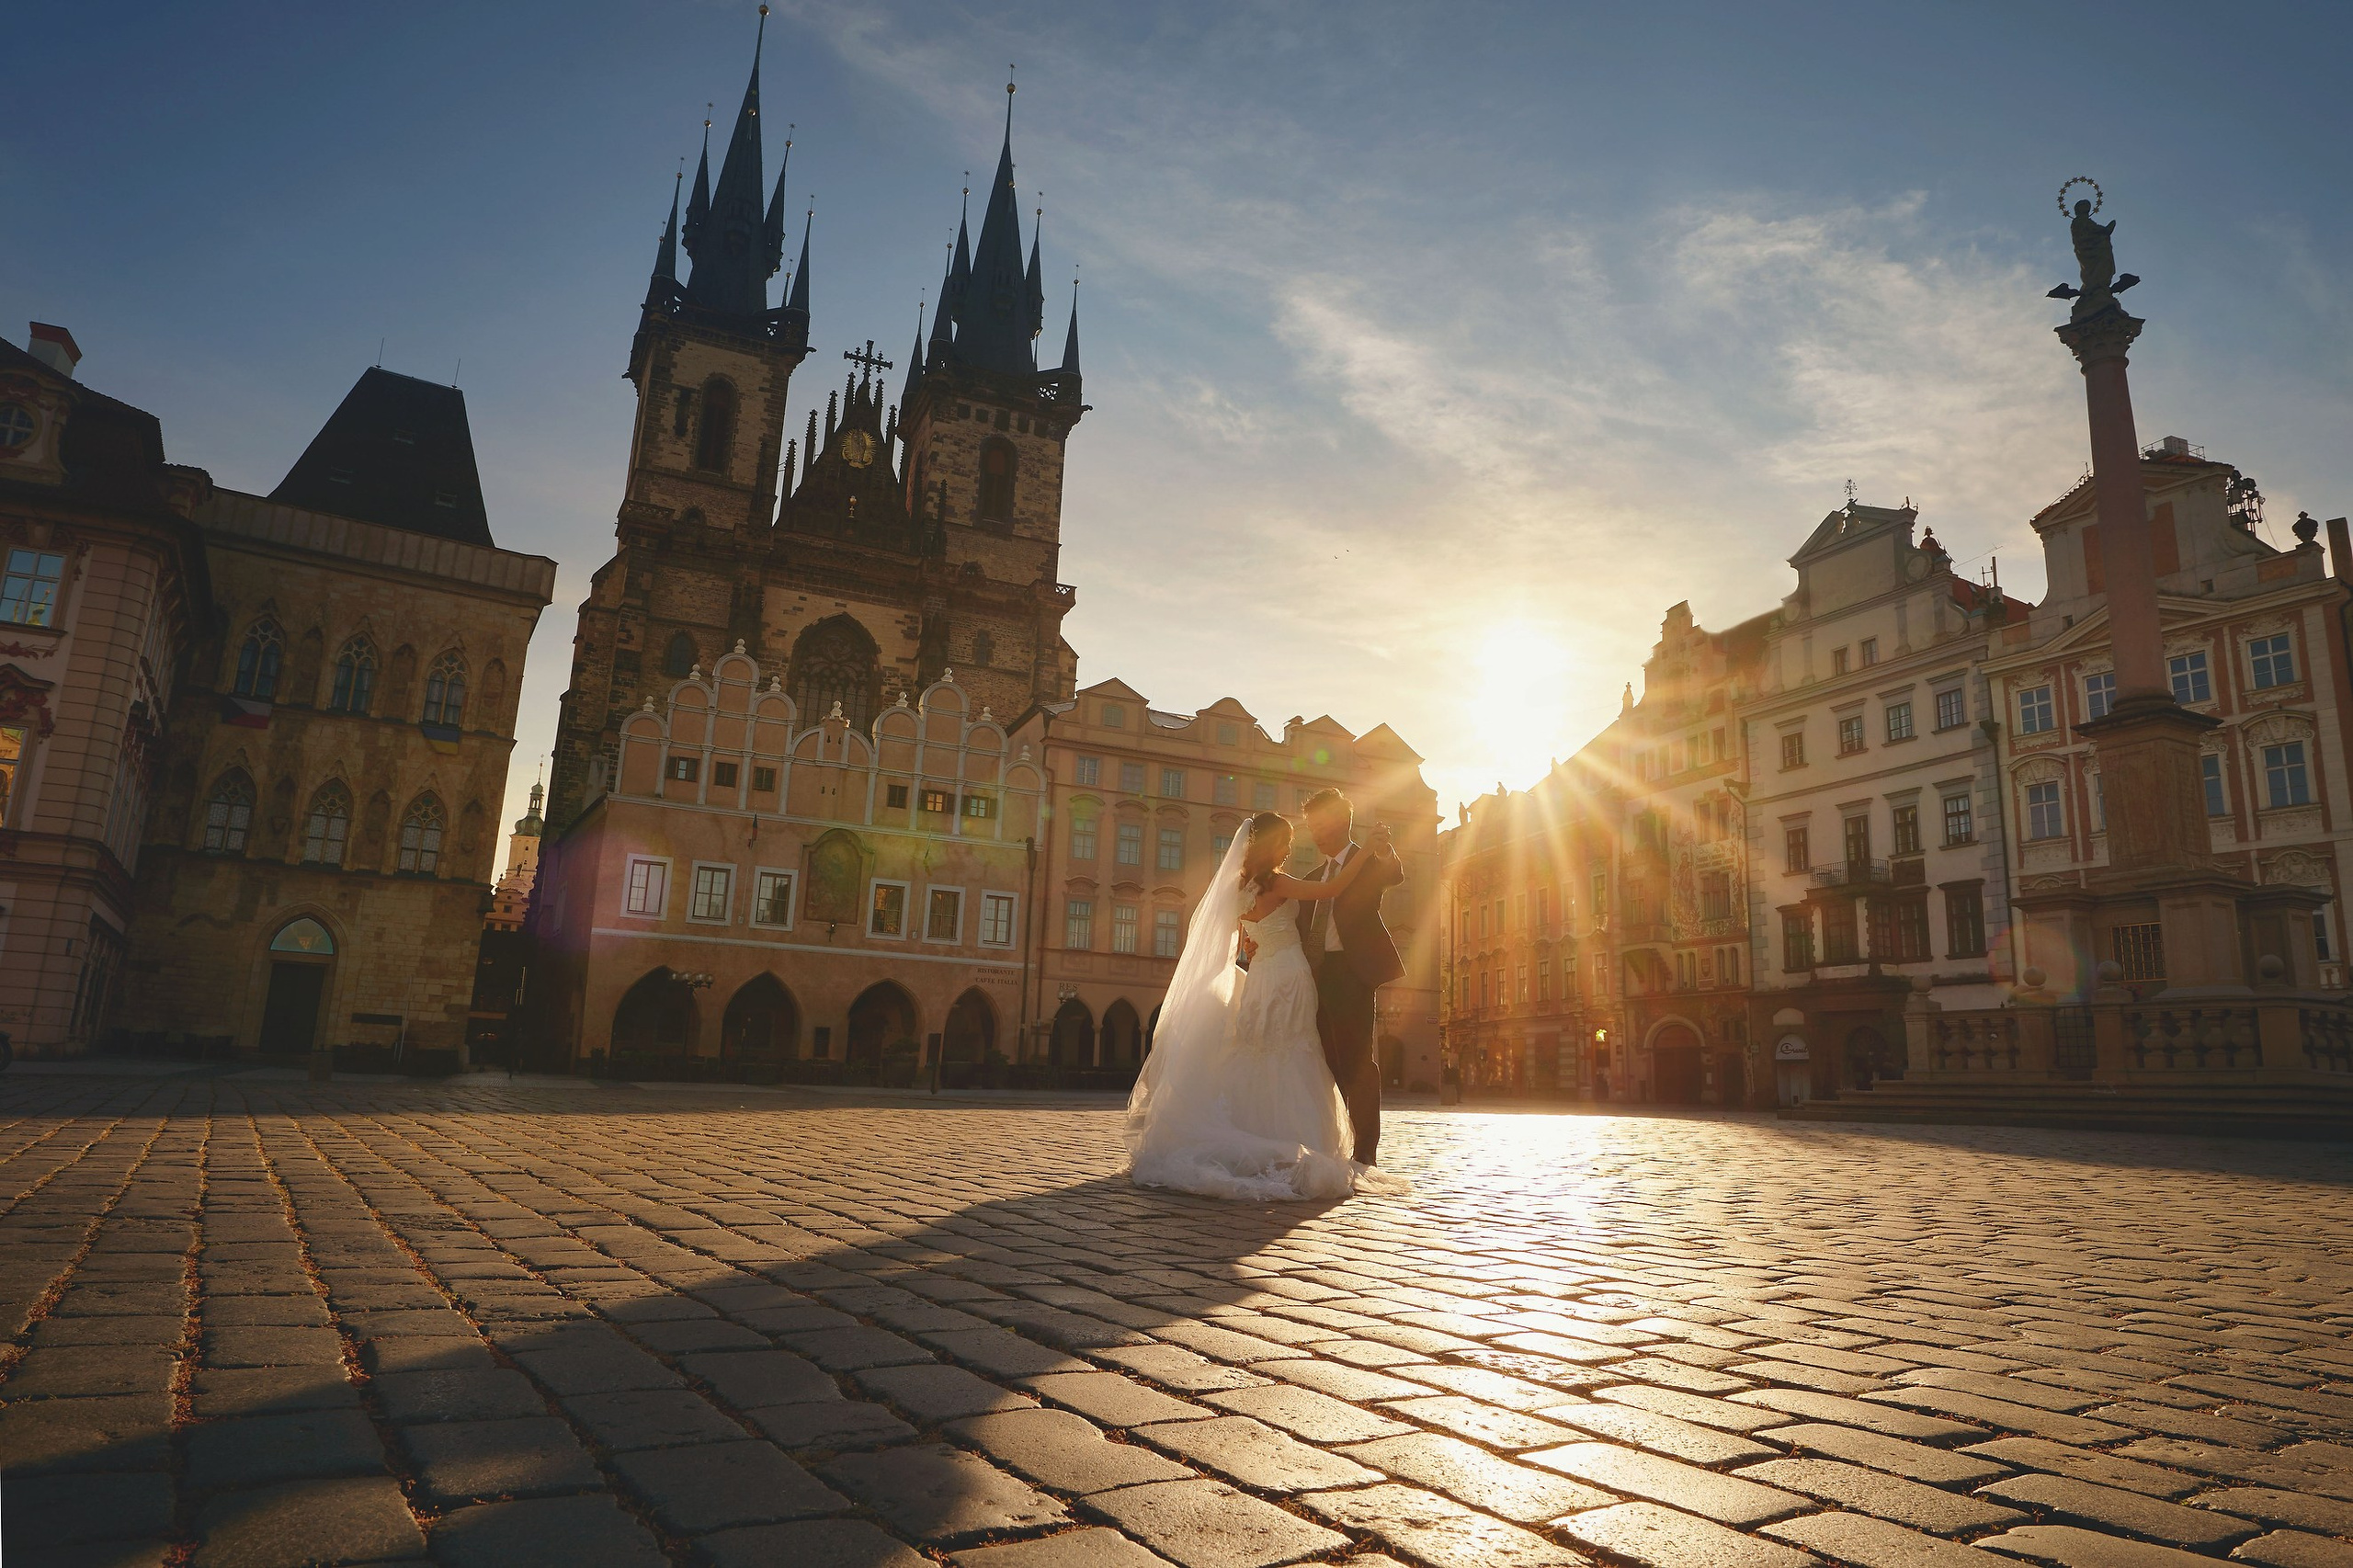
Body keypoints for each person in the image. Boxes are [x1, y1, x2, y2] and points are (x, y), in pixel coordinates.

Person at [1124, 811, 1410, 1200]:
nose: (1292, 847)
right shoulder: (1277, 881)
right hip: (1290, 976)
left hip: (1259, 976)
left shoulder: (1240, 887)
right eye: (1288, 841)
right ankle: (1296, 1140)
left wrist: (1254, 943)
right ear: (1273, 845)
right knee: (1294, 1050)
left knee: (1256, 1051)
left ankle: (1251, 1131)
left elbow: (1243, 942)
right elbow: (1333, 889)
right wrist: (1362, 853)